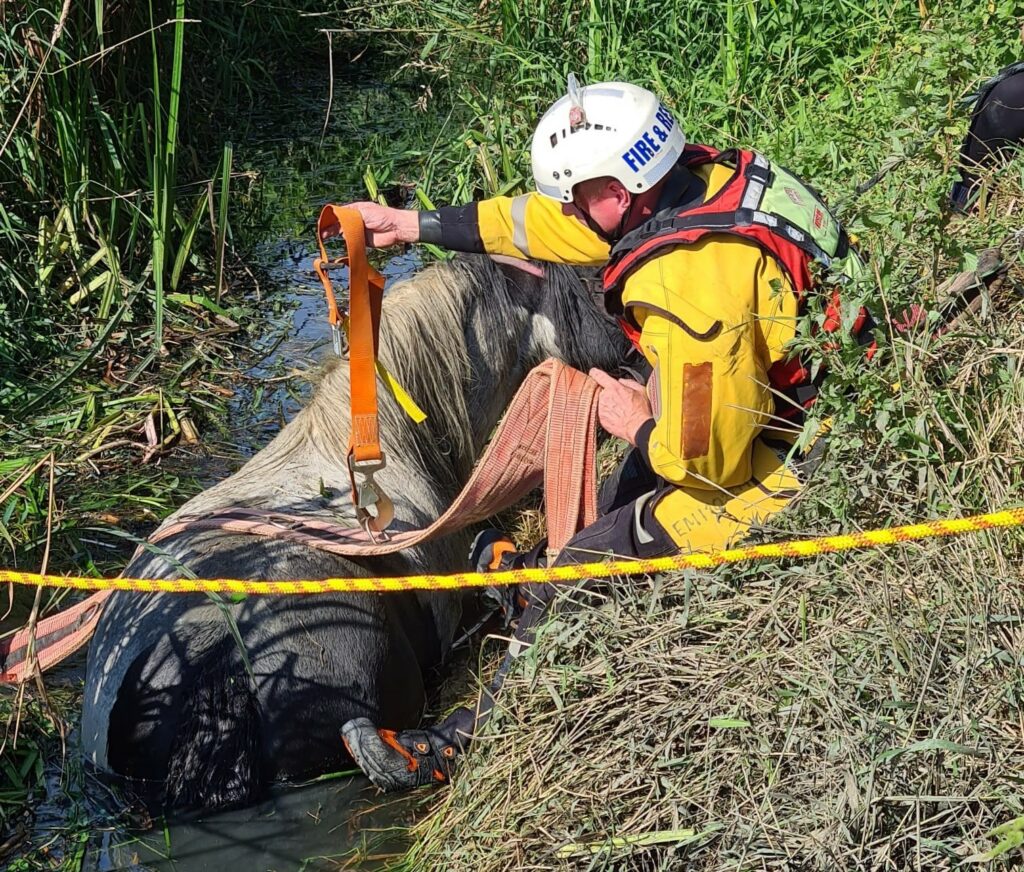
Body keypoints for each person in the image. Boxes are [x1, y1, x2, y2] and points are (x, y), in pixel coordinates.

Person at [339, 76, 866, 791]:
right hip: (806, 393)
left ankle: (473, 743)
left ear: (620, 191)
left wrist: (639, 422)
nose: (568, 208)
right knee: (626, 484)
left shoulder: (688, 286)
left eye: (578, 192)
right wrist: (412, 226)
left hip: (805, 457)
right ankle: (545, 585)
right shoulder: (701, 179)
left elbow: (708, 464)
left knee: (595, 550)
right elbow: (536, 224)